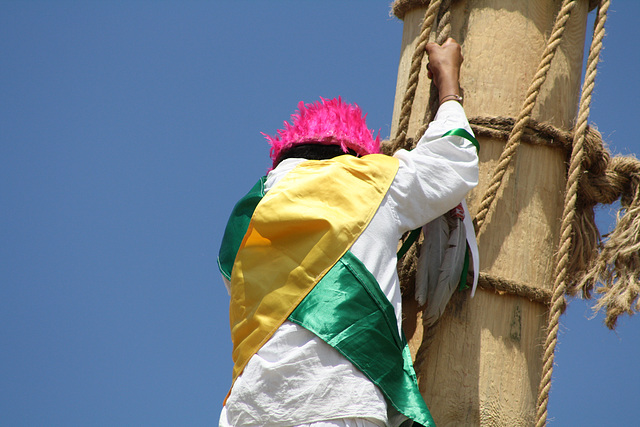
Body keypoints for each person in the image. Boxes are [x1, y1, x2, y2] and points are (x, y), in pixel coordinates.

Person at [217, 38, 479, 427]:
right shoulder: (370, 182)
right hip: (339, 403)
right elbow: (454, 157)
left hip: (248, 411)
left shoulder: (246, 216)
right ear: (356, 154)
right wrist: (448, 82)